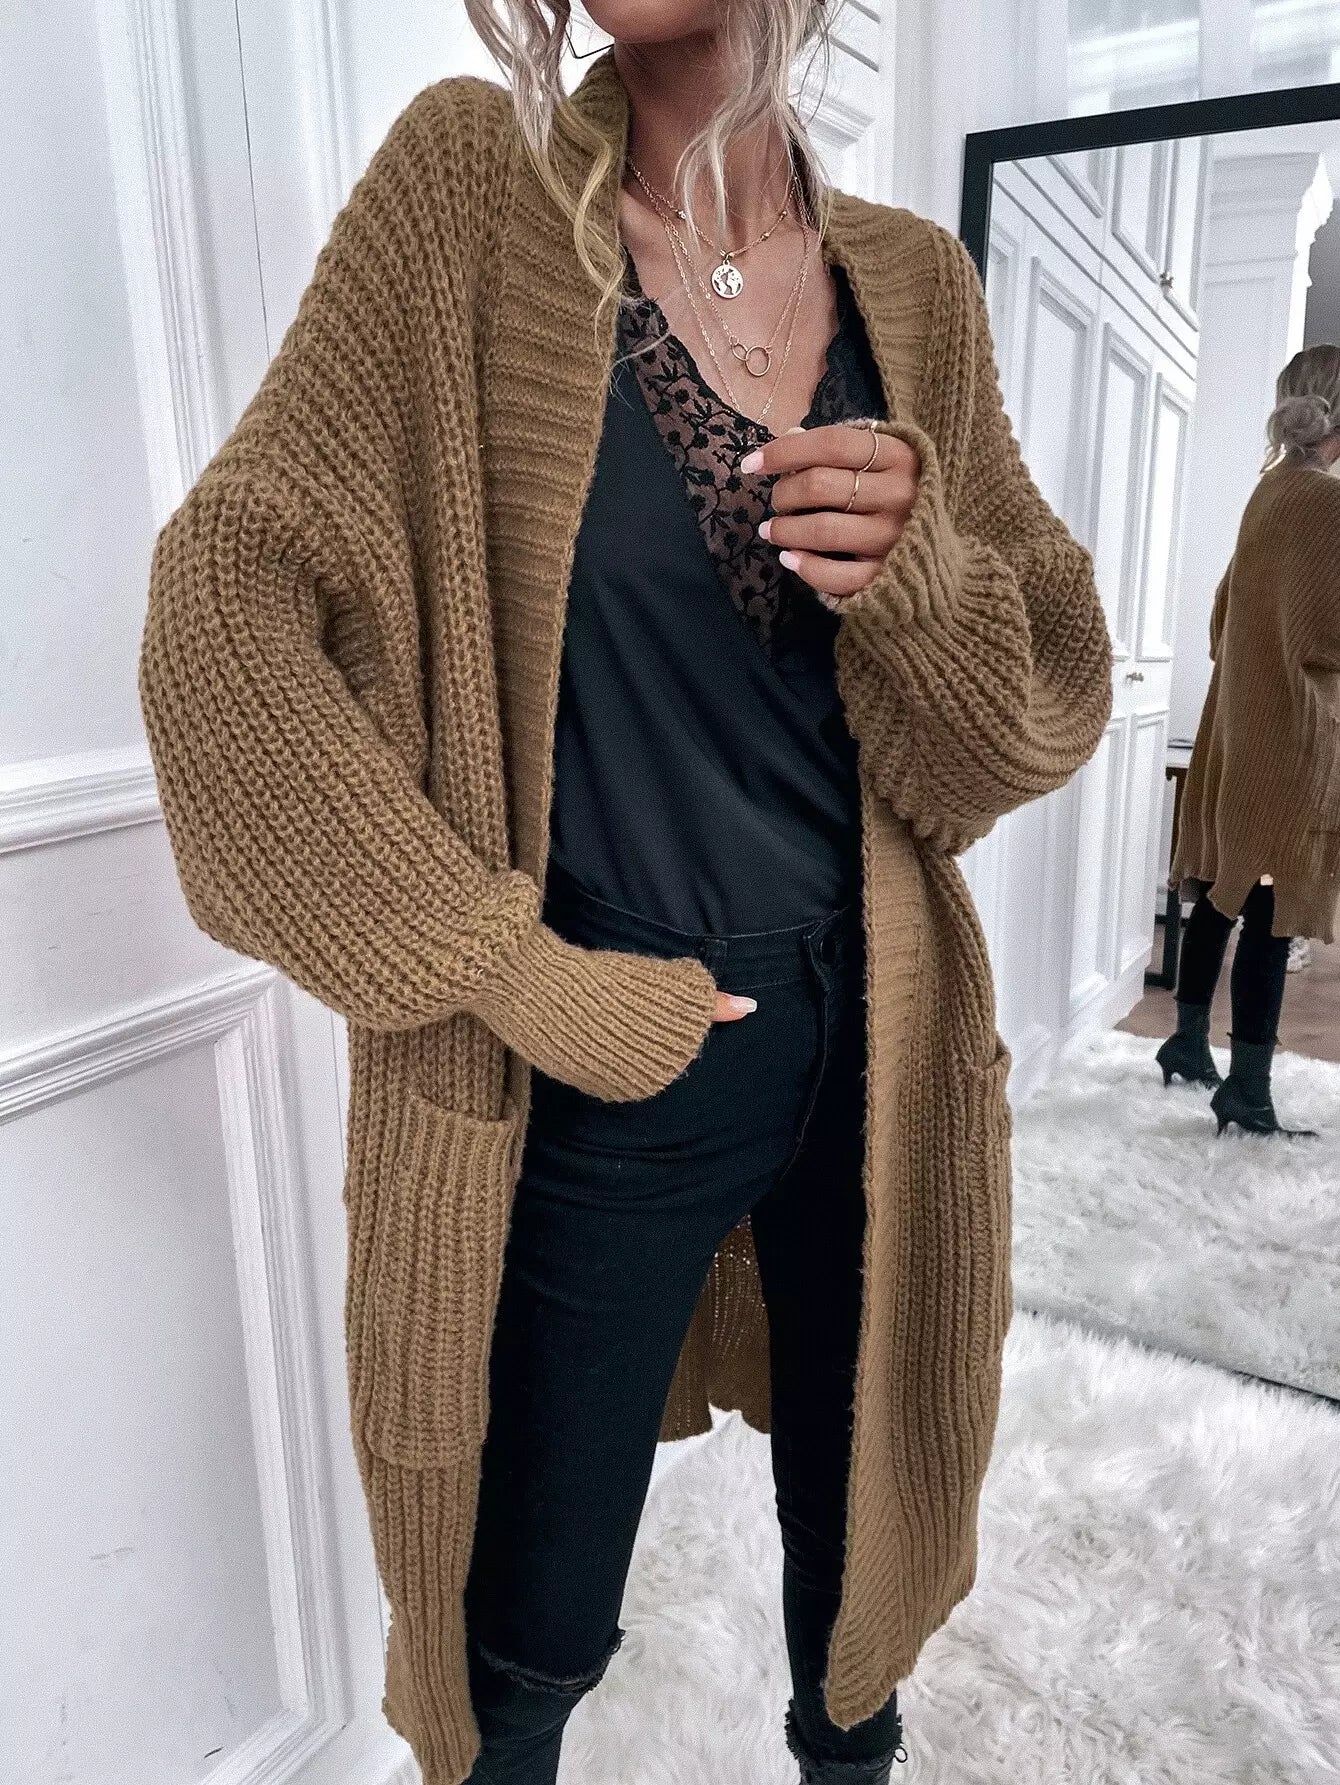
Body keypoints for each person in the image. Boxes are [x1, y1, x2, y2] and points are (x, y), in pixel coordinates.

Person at [135, 6, 1113, 1783]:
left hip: (883, 1050)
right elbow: (223, 613)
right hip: (601, 1061)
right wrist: (504, 968)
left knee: (861, 1598)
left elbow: (1019, 727)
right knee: (521, 1645)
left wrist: (923, 580)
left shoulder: (915, 285)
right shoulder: (470, 191)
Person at [1159, 343, 1340, 1138]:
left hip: (1238, 724)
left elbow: (1221, 616)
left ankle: (1187, 1040)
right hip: (1292, 732)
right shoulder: (1327, 503)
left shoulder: (1269, 490)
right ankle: (1248, 1090)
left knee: (1225, 889)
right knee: (1271, 906)